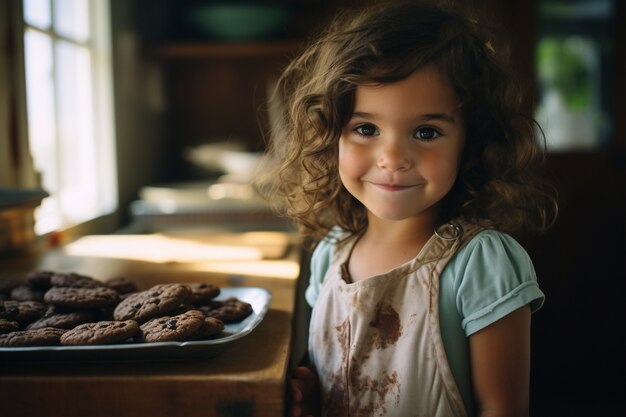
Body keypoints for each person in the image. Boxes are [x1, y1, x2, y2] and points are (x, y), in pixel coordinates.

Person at [255, 1, 558, 416]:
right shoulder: (329, 254)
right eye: (366, 129)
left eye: (426, 131)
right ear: (331, 136)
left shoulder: (482, 264)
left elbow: (503, 409)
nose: (393, 156)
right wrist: (313, 399)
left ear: (470, 142)